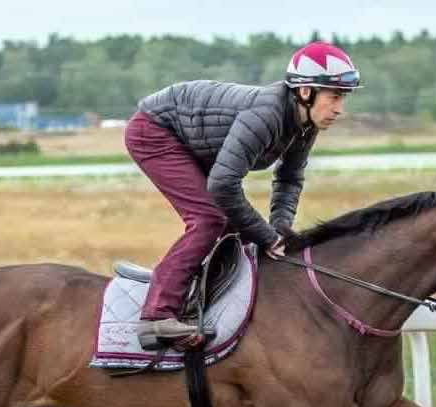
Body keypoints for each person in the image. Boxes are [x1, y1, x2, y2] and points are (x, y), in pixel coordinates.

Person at [126, 41, 361, 348]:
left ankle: (201, 308)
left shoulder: (305, 124)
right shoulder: (266, 114)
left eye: (343, 98)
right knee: (209, 219)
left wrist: (279, 229)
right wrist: (267, 237)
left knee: (240, 233)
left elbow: (289, 178)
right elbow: (223, 185)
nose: (340, 109)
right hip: (154, 130)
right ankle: (157, 317)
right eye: (334, 96)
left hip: (192, 137)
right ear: (306, 91)